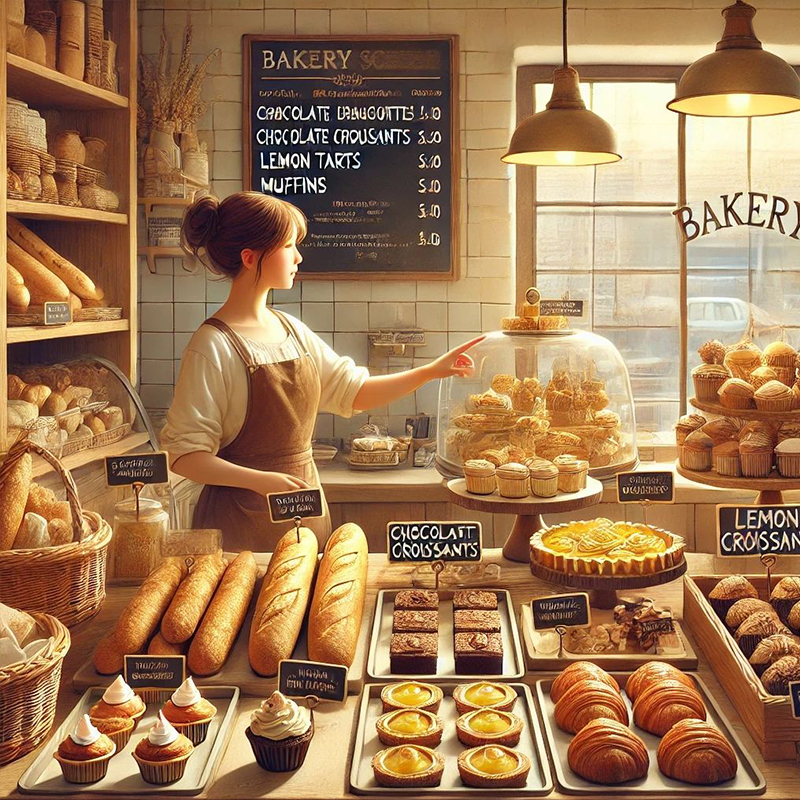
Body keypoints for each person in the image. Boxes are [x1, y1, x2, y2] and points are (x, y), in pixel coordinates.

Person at [161, 191, 482, 551]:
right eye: (287, 246)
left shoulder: (292, 332)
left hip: (306, 522)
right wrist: (260, 482)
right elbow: (185, 457)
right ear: (250, 258)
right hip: (239, 530)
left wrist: (431, 371)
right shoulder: (212, 346)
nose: (298, 256)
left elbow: (355, 392)